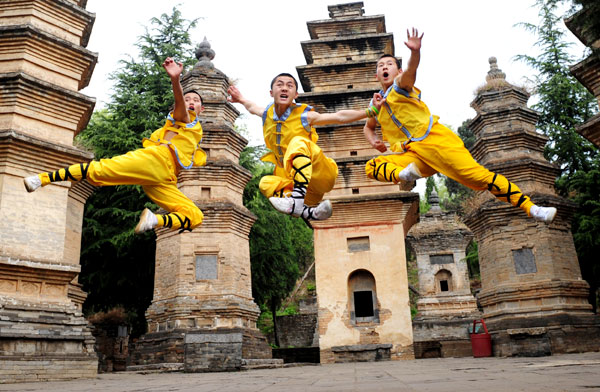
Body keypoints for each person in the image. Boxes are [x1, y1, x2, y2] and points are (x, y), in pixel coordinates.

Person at [363, 28, 557, 223]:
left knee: (481, 178)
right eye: (380, 66)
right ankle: (403, 174)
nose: (384, 67)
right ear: (376, 76)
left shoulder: (402, 85)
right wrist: (374, 142)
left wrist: (415, 52)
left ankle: (532, 208)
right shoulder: (375, 103)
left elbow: (412, 69)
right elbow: (368, 126)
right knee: (372, 167)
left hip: (437, 142)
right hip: (414, 154)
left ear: (398, 71)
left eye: (389, 64)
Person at [23, 57, 206, 234]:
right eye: (188, 99)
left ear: (202, 109)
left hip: (165, 177)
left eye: (195, 101)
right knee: (100, 170)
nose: (191, 102)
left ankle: (154, 220)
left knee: (195, 215)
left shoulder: (196, 131)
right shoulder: (183, 118)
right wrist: (175, 80)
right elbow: (180, 105)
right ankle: (42, 179)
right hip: (156, 160)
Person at [228, 74, 383, 221]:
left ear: (295, 94)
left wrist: (370, 111)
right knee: (265, 183)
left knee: (298, 143)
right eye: (279, 85)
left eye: (289, 86)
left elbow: (339, 117)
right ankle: (309, 212)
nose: (284, 88)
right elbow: (252, 107)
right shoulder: (266, 114)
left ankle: (296, 199)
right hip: (302, 189)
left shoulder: (305, 116)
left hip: (320, 176)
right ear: (271, 92)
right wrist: (240, 99)